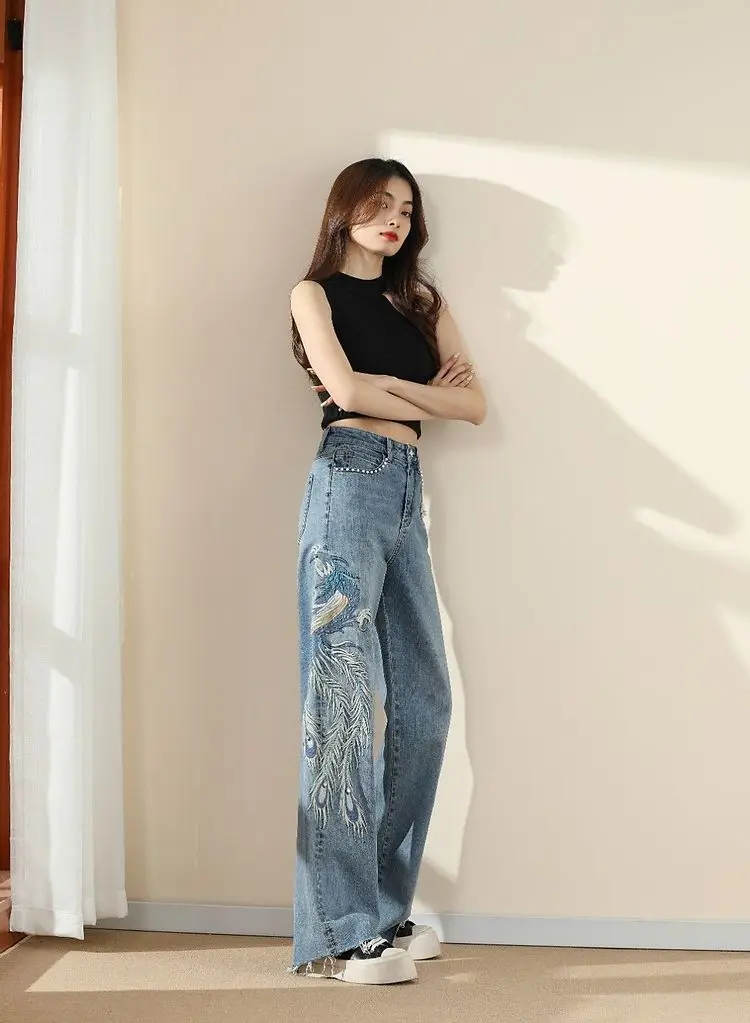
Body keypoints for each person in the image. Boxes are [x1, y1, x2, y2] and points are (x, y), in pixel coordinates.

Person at [289, 158, 486, 985]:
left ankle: (380, 908)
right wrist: (414, 391)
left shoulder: (423, 303)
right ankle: (336, 936)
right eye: (379, 202)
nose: (394, 218)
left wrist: (387, 387)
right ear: (346, 210)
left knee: (425, 702)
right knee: (340, 701)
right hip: (348, 481)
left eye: (406, 207)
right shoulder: (313, 295)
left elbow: (474, 404)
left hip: (407, 491)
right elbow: (341, 389)